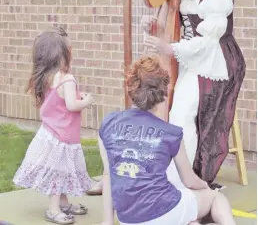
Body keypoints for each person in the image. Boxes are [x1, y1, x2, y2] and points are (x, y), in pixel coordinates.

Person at [144, 0, 246, 190]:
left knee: (181, 113)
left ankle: (187, 177)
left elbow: (207, 42)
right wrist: (155, 25)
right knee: (178, 113)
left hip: (217, 64)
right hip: (192, 59)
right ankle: (180, 174)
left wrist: (171, 49)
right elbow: (180, 27)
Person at [98, 55, 236, 225]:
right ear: (162, 94)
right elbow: (190, 181)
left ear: (130, 88)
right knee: (215, 198)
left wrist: (107, 221)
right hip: (163, 209)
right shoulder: (171, 133)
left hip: (128, 219)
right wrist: (205, 187)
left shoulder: (108, 123)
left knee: (189, 216)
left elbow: (108, 175)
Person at [13, 27, 94, 225]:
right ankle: (54, 209)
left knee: (63, 170)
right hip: (62, 137)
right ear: (62, 54)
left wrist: (76, 94)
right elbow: (71, 105)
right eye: (69, 48)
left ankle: (64, 203)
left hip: (50, 134)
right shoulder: (67, 79)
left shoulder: (46, 78)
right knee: (59, 173)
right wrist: (87, 100)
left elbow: (58, 100)